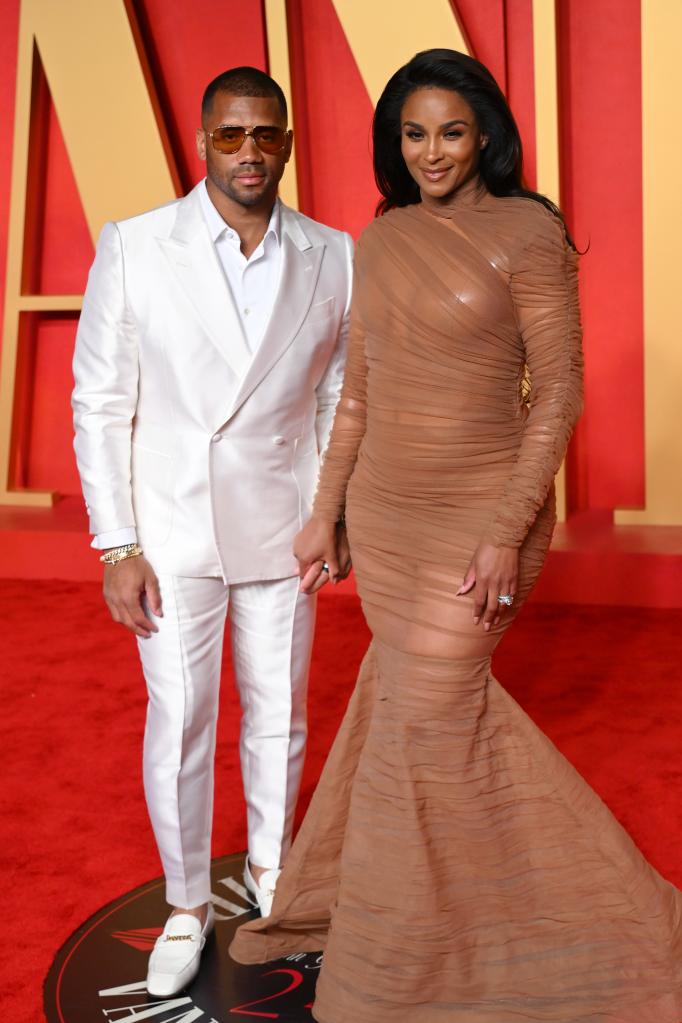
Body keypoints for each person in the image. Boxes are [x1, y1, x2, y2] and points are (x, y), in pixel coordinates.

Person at [230, 49, 682, 1021]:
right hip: (388, 515)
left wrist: (501, 532)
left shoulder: (528, 232)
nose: (430, 151)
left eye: (449, 131)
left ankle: (583, 929)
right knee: (403, 714)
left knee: (438, 716)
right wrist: (326, 512)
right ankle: (397, 918)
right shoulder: (380, 240)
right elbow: (361, 396)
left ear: (485, 135)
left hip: (483, 514)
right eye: (412, 133)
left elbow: (556, 392)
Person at [72, 66, 352, 997]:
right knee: (182, 721)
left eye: (264, 135)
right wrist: (117, 544)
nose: (248, 152)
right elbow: (101, 403)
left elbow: (335, 399)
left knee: (280, 718)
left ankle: (271, 884)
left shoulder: (333, 253)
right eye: (230, 136)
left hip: (282, 529)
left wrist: (328, 513)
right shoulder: (136, 245)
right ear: (203, 142)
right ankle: (188, 903)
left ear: (286, 143)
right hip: (171, 532)